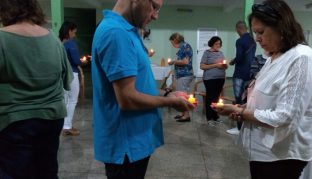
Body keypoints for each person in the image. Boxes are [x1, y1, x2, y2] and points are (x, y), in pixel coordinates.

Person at [213, 0, 312, 178]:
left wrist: (243, 113)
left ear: (281, 26)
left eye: (261, 32)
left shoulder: (301, 59)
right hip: (263, 150)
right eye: (255, 32)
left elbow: (285, 117)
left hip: (281, 155)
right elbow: (265, 99)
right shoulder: (275, 56)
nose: (257, 38)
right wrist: (240, 110)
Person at [91, 0, 194, 178]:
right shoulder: (116, 33)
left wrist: (168, 93)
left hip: (135, 139)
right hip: (126, 145)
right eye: (154, 6)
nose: (155, 15)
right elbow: (127, 98)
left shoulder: (128, 31)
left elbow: (139, 86)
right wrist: (170, 102)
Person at [0, 0, 73, 178]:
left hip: (13, 121)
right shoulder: (54, 40)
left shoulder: (2, 39)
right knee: (46, 171)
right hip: (51, 119)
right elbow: (66, 81)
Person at [226, 20, 257, 135]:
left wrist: (233, 61)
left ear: (238, 29)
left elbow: (239, 57)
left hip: (240, 74)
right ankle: (247, 127)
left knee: (238, 101)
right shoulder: (253, 40)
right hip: (250, 74)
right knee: (248, 101)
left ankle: (239, 128)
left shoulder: (240, 41)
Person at [59, 21, 87, 136]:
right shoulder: (71, 43)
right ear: (69, 31)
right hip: (72, 74)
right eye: (74, 32)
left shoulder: (59, 42)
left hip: (61, 74)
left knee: (65, 100)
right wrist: (83, 61)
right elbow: (76, 61)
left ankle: (64, 125)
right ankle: (67, 126)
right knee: (72, 100)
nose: (75, 35)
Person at [200, 36, 227, 126]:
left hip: (220, 78)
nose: (218, 45)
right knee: (210, 98)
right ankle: (209, 118)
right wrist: (215, 65)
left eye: (219, 43)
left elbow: (224, 65)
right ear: (212, 43)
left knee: (216, 98)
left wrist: (225, 66)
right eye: (216, 43)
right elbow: (202, 66)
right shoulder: (207, 53)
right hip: (210, 79)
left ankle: (215, 117)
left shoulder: (221, 53)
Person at [168, 32, 194, 122]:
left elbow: (185, 62)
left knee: (182, 95)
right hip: (182, 74)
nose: (172, 44)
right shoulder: (183, 47)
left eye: (172, 42)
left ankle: (186, 115)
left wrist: (173, 62)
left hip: (185, 74)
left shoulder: (185, 47)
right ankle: (183, 113)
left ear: (175, 40)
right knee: (180, 94)